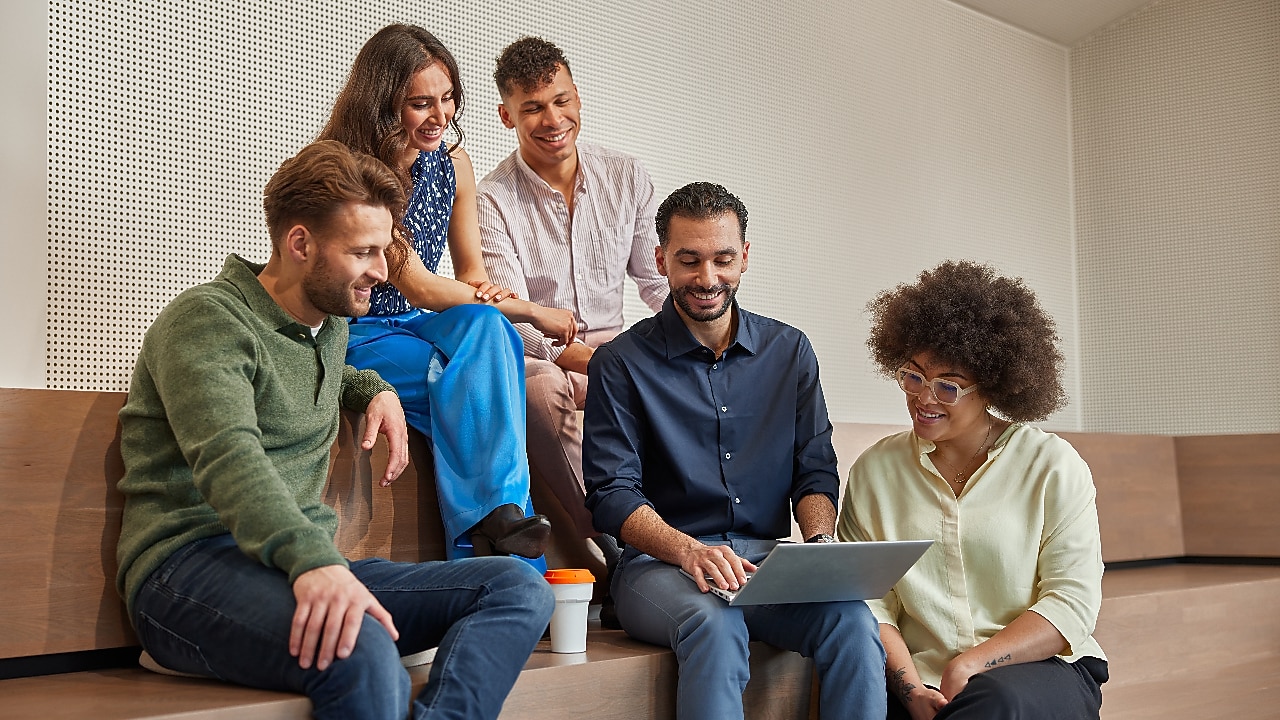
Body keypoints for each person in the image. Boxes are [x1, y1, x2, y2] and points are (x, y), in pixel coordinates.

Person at [115, 140, 555, 720]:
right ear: (301, 243)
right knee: (362, 648)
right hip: (188, 568)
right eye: (364, 251)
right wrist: (315, 564)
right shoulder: (206, 319)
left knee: (519, 588)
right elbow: (230, 458)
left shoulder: (328, 328)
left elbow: (310, 367)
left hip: (301, 560)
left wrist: (376, 389)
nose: (382, 270)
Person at [583, 182, 886, 719]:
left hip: (765, 563)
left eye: (723, 259)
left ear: (745, 256)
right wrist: (689, 551)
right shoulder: (621, 363)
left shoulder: (790, 351)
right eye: (689, 260)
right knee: (714, 622)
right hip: (660, 567)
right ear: (661, 260)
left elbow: (814, 469)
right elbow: (612, 494)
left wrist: (819, 542)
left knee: (854, 621)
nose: (707, 279)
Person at [319, 25, 579, 564]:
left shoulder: (453, 164)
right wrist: (531, 309)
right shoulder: (349, 169)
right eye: (420, 103)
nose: (440, 116)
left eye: (448, 98)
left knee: (490, 331)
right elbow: (415, 281)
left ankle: (494, 520)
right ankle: (498, 527)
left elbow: (469, 274)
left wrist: (489, 296)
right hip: (359, 329)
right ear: (383, 103)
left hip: (416, 319)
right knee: (463, 379)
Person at [837, 260, 1108, 720]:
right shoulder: (875, 472)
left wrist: (974, 661)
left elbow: (1070, 604)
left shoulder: (1052, 467)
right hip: (917, 679)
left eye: (949, 386)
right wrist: (908, 690)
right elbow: (868, 600)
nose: (924, 398)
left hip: (1042, 668)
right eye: (913, 376)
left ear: (995, 385)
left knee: (994, 701)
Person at [477, 36, 668, 567]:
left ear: (578, 98)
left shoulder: (627, 174)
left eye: (561, 101)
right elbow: (510, 315)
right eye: (532, 108)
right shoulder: (490, 198)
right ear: (506, 115)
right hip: (545, 357)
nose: (552, 118)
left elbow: (657, 284)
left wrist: (686, 344)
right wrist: (587, 361)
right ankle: (618, 535)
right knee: (536, 387)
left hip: (616, 344)